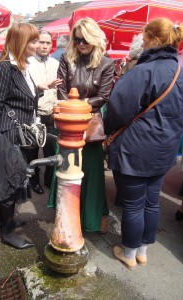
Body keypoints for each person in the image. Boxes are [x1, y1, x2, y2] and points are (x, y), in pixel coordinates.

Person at [104, 18, 183, 270]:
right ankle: (143, 251)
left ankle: (129, 254)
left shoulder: (143, 70)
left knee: (135, 204)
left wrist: (107, 131)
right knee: (151, 201)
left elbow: (117, 108)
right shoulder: (180, 70)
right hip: (165, 149)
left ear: (149, 40)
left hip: (135, 149)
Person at [50, 17, 115, 233]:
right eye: (76, 40)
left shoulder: (106, 63)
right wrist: (72, 107)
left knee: (92, 171)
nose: (80, 44)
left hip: (90, 124)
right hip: (68, 124)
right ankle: (66, 214)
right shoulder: (67, 59)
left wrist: (79, 105)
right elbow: (60, 89)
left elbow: (104, 96)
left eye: (84, 40)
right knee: (66, 168)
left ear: (94, 39)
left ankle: (92, 217)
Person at [0, 23, 41, 249]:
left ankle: (3, 220)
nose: (36, 45)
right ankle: (7, 232)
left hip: (19, 132)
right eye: (33, 41)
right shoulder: (5, 68)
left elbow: (20, 98)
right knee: (9, 181)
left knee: (11, 178)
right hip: (6, 132)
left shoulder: (22, 67)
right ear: (20, 42)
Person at [28, 30, 62, 194]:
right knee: (33, 148)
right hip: (35, 113)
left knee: (51, 149)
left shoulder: (56, 63)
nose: (45, 46)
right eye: (41, 42)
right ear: (35, 43)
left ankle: (49, 179)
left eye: (48, 43)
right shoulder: (28, 63)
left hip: (52, 113)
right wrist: (40, 87)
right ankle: (33, 180)